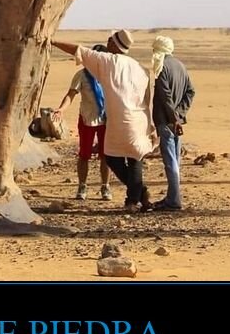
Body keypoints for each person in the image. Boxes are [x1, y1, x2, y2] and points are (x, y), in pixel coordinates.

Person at [51, 30, 157, 213]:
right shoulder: (141, 68)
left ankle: (135, 198)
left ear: (115, 44)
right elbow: (147, 99)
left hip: (122, 121)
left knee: (112, 158)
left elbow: (78, 50)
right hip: (140, 120)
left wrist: (52, 41)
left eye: (110, 39)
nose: (107, 42)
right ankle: (138, 196)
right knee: (135, 159)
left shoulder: (110, 61)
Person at [52, 45, 113, 201]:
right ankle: (82, 186)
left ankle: (105, 186)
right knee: (84, 154)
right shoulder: (82, 76)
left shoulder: (109, 75)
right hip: (87, 119)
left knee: (106, 155)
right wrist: (61, 109)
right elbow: (71, 94)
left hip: (106, 119)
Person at [150, 35, 195, 211]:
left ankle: (174, 201)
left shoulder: (162, 67)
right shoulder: (180, 65)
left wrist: (173, 118)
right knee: (175, 160)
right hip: (177, 122)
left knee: (171, 162)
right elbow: (190, 92)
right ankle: (172, 196)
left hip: (166, 121)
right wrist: (180, 114)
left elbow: (165, 96)